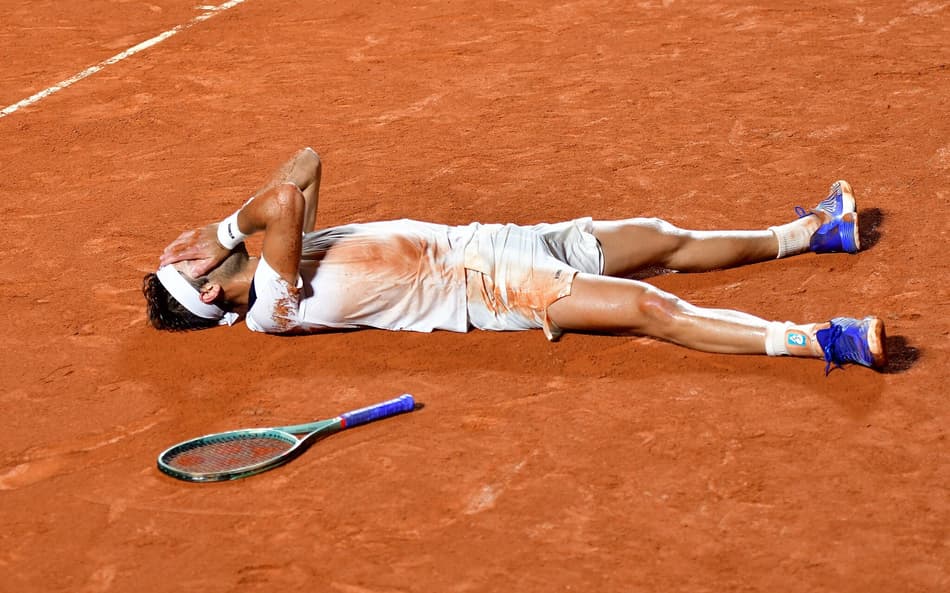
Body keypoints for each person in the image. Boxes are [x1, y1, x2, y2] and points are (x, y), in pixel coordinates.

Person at [144, 147, 886, 374]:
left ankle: (814, 234)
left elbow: (305, 162)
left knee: (663, 239)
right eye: (195, 261)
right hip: (498, 289)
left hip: (502, 239)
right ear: (210, 290)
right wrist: (224, 226)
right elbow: (281, 199)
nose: (200, 249)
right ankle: (824, 341)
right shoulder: (270, 305)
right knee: (650, 309)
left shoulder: (281, 251)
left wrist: (226, 230)